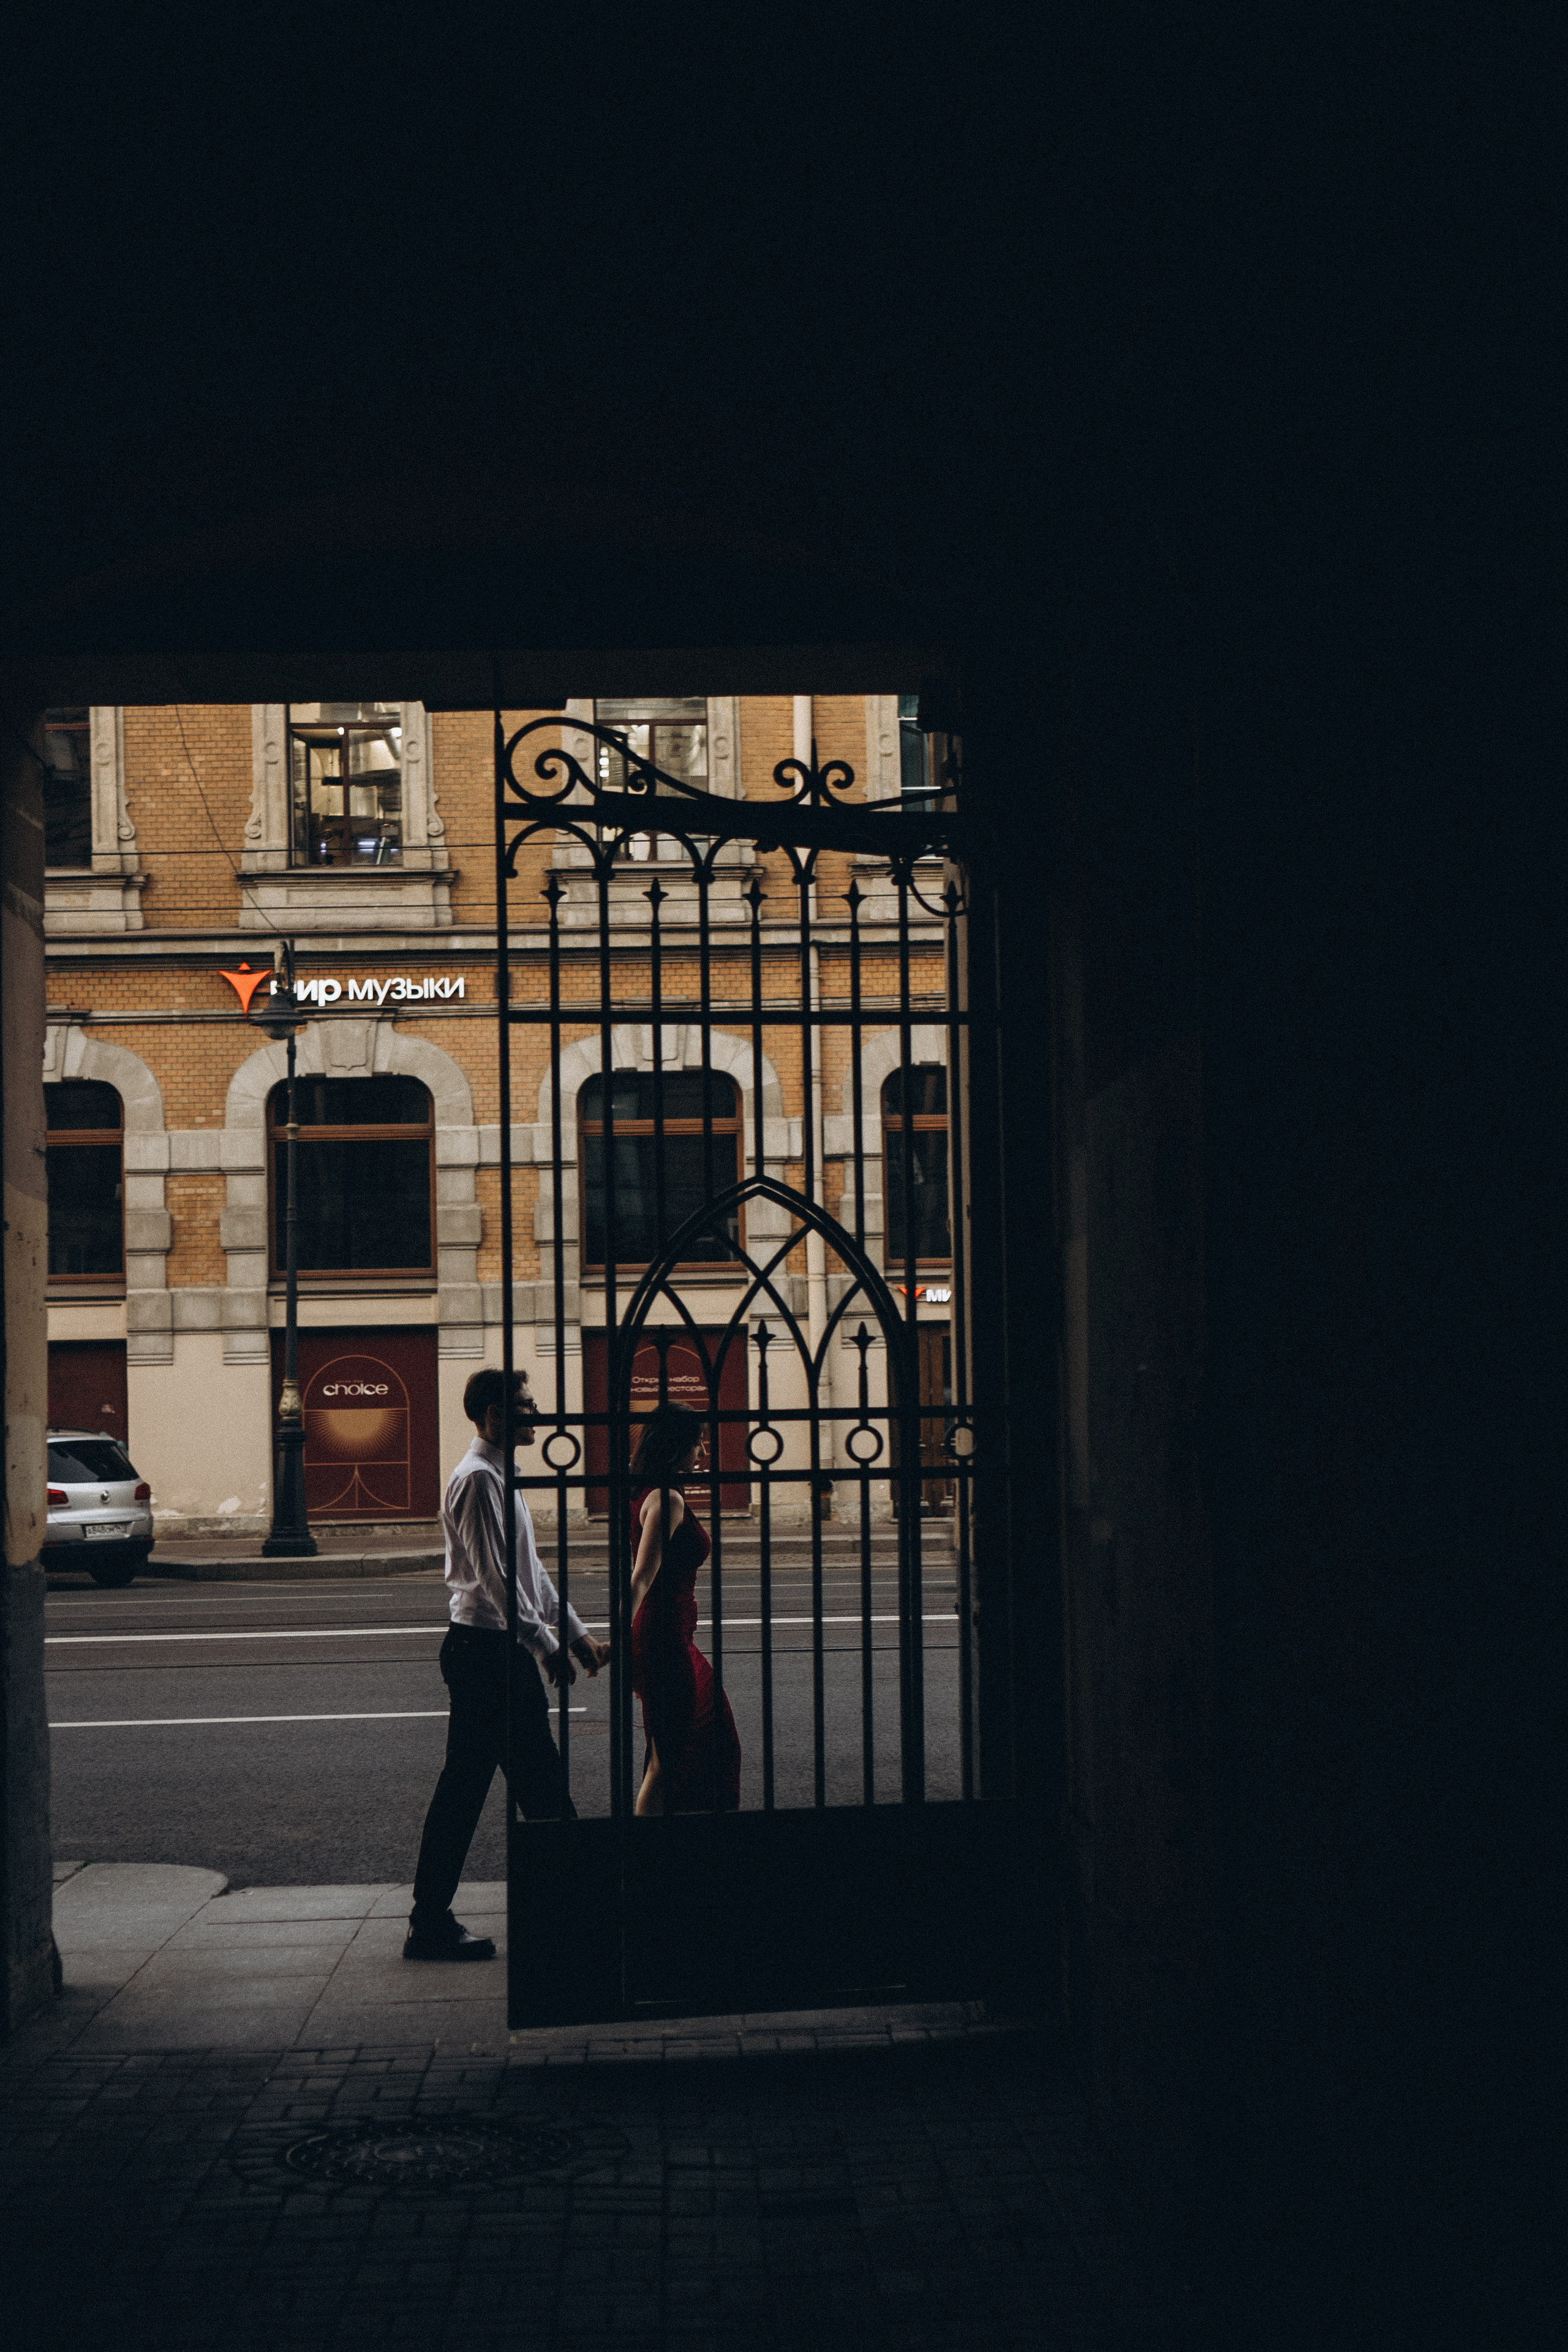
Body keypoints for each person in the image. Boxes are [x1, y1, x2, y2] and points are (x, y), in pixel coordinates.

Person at [405, 1366, 609, 1961]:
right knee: (528, 1787)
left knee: (484, 1789)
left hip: (492, 1652)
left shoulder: (501, 1475)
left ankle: (435, 1920)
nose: (538, 1412)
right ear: (494, 1416)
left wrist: (574, 1636)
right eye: (526, 1404)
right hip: (485, 1653)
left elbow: (531, 1574)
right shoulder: (476, 1480)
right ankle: (571, 1912)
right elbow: (497, 1581)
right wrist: (545, 1647)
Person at [630, 1401, 741, 1815]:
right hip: (664, 1642)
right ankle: (642, 1863)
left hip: (672, 1638)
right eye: (698, 1443)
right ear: (678, 1444)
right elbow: (642, 1576)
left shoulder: (646, 1491)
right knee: (668, 1759)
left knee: (692, 1740)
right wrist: (616, 1638)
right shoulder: (667, 1500)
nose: (704, 1453)